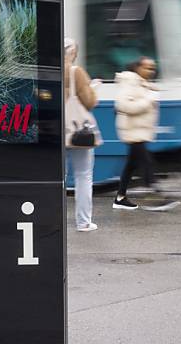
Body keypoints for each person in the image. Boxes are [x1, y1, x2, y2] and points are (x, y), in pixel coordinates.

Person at [113, 56, 175, 210]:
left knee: (131, 165)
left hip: (139, 130)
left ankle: (120, 198)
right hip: (133, 131)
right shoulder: (129, 83)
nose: (151, 71)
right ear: (138, 68)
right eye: (147, 67)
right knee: (147, 162)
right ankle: (156, 196)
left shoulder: (143, 84)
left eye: (153, 68)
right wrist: (148, 101)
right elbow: (122, 105)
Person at [64, 38, 100, 232]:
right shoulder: (75, 71)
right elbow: (89, 102)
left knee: (57, 177)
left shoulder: (45, 70)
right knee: (83, 175)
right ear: (71, 52)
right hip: (77, 131)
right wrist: (92, 88)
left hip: (52, 130)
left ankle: (53, 220)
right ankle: (83, 222)